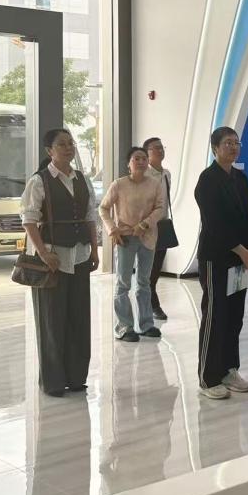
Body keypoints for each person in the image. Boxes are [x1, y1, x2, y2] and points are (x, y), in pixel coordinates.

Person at [21, 128, 100, 397]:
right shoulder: (39, 181)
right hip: (52, 259)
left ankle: (76, 377)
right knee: (51, 321)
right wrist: (44, 253)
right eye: (62, 144)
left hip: (79, 256)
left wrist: (95, 250)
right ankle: (53, 381)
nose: (68, 148)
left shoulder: (82, 179)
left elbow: (90, 216)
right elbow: (29, 220)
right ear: (49, 151)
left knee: (79, 317)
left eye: (71, 143)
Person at [194, 126, 248, 399]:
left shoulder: (240, 178)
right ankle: (208, 378)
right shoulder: (207, 180)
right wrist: (241, 250)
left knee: (235, 316)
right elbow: (214, 223)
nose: (233, 147)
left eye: (236, 143)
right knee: (215, 315)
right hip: (216, 257)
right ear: (215, 149)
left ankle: (229, 369)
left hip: (241, 257)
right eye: (227, 143)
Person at [100, 146, 167, 342]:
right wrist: (112, 229)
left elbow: (160, 208)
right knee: (123, 283)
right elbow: (103, 208)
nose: (141, 162)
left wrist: (145, 224)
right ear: (128, 163)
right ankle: (124, 327)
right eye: (136, 158)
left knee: (144, 282)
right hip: (125, 238)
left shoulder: (155, 184)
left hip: (148, 237)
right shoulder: (119, 184)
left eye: (144, 158)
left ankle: (146, 325)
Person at [144, 136, 172, 322]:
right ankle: (153, 305)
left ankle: (150, 303)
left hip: (162, 226)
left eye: (162, 147)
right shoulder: (144, 174)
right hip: (147, 227)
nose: (160, 150)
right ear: (147, 153)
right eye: (156, 148)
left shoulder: (166, 174)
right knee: (148, 270)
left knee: (156, 270)